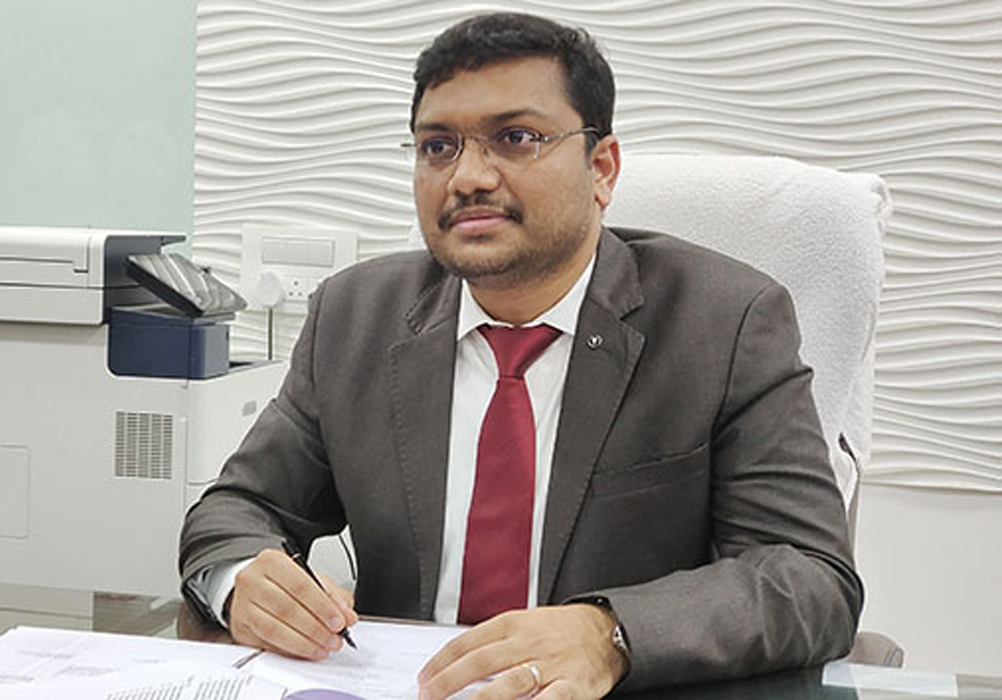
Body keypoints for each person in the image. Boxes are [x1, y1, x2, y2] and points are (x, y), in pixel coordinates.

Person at [180, 11, 862, 698]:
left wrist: (612, 634)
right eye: (438, 147)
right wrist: (243, 579)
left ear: (602, 168)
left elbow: (810, 577)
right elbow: (236, 510)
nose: (468, 177)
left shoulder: (725, 322)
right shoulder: (355, 317)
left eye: (516, 139)